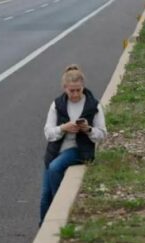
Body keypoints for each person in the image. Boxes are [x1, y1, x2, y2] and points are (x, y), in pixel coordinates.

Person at [39, 64, 106, 225]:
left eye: (78, 90)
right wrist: (64, 128)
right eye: (71, 91)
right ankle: (44, 227)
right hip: (55, 149)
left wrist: (88, 129)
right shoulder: (57, 104)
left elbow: (102, 134)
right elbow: (48, 132)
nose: (75, 94)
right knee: (44, 196)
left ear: (83, 87)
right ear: (65, 88)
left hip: (78, 149)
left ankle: (59, 208)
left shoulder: (93, 105)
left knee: (55, 168)